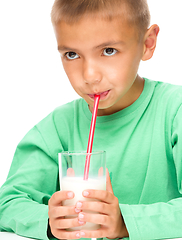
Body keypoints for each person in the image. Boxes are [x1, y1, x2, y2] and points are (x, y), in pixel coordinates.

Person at [0, 0, 182, 239]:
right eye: (72, 54)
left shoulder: (174, 110)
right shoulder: (58, 126)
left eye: (109, 51)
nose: (89, 76)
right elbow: (9, 202)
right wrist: (49, 221)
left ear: (147, 44)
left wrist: (125, 222)